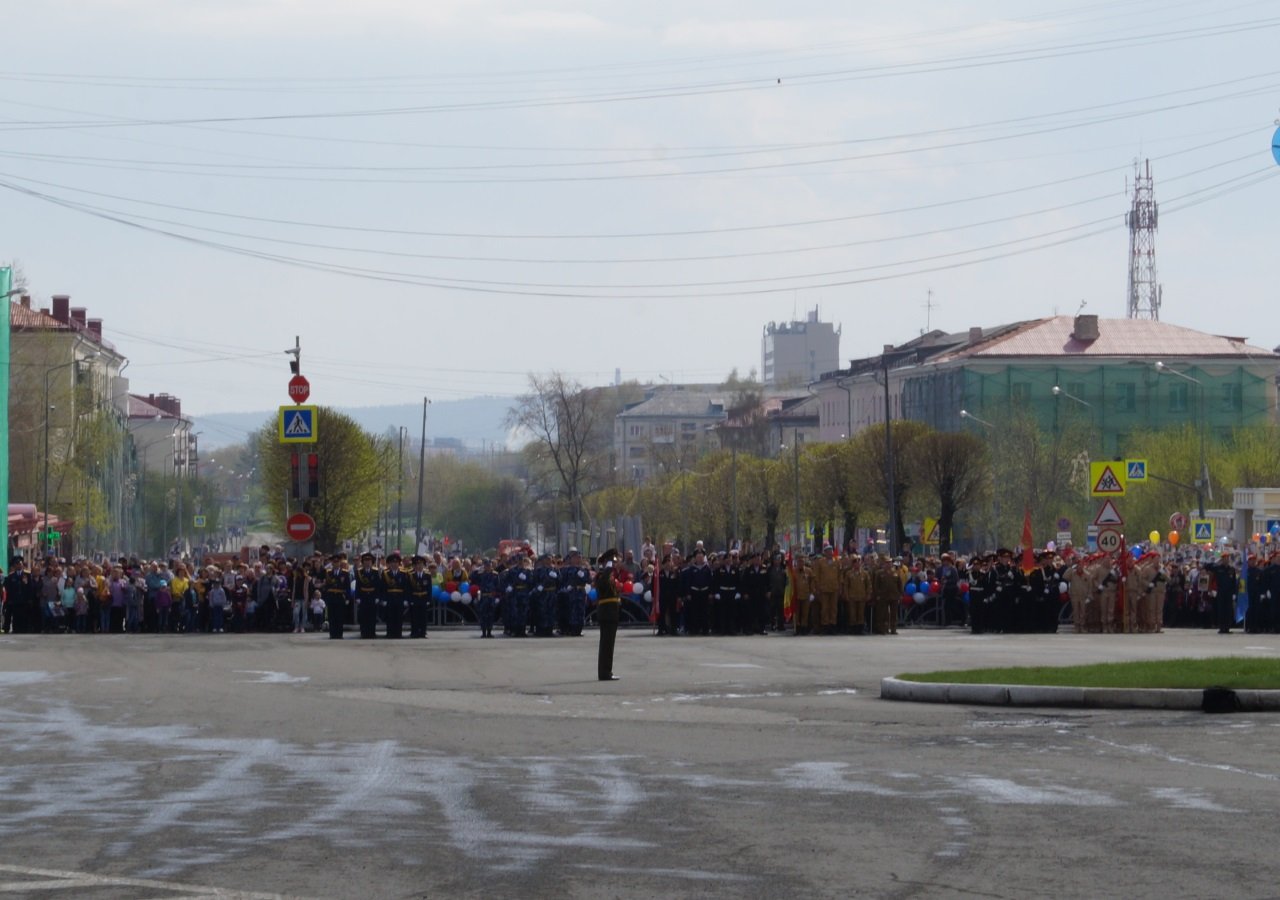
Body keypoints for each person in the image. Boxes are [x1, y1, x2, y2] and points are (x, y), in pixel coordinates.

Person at [595, 549, 621, 681]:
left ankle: (607, 671)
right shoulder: (601, 575)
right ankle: (605, 673)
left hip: (612, 613)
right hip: (607, 613)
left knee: (609, 645)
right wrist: (607, 569)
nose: (615, 564)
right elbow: (602, 584)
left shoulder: (610, 576)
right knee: (606, 644)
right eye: (613, 561)